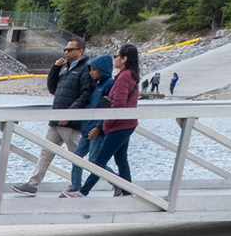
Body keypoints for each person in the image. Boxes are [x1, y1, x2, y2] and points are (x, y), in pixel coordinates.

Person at [12, 37, 92, 196]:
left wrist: (69, 113)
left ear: (80, 51)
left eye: (70, 50)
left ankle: (92, 184)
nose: (66, 52)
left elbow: (86, 94)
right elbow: (53, 89)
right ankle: (32, 184)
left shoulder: (85, 69)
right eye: (65, 49)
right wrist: (55, 69)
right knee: (46, 152)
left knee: (77, 157)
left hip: (70, 122)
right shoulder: (66, 68)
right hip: (56, 120)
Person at [76, 44, 139, 197]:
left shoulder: (124, 76)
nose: (114, 59)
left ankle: (83, 191)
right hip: (126, 123)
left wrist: (106, 123)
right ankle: (127, 191)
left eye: (116, 56)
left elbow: (119, 103)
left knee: (100, 159)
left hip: (119, 125)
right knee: (121, 160)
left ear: (124, 59)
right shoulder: (131, 75)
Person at [65, 53, 111, 196]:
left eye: (94, 70)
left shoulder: (109, 83)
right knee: (77, 156)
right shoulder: (95, 84)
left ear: (102, 70)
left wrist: (98, 126)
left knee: (94, 161)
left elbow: (107, 108)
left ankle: (118, 183)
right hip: (87, 126)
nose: (91, 73)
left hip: (97, 129)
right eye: (90, 70)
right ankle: (75, 186)